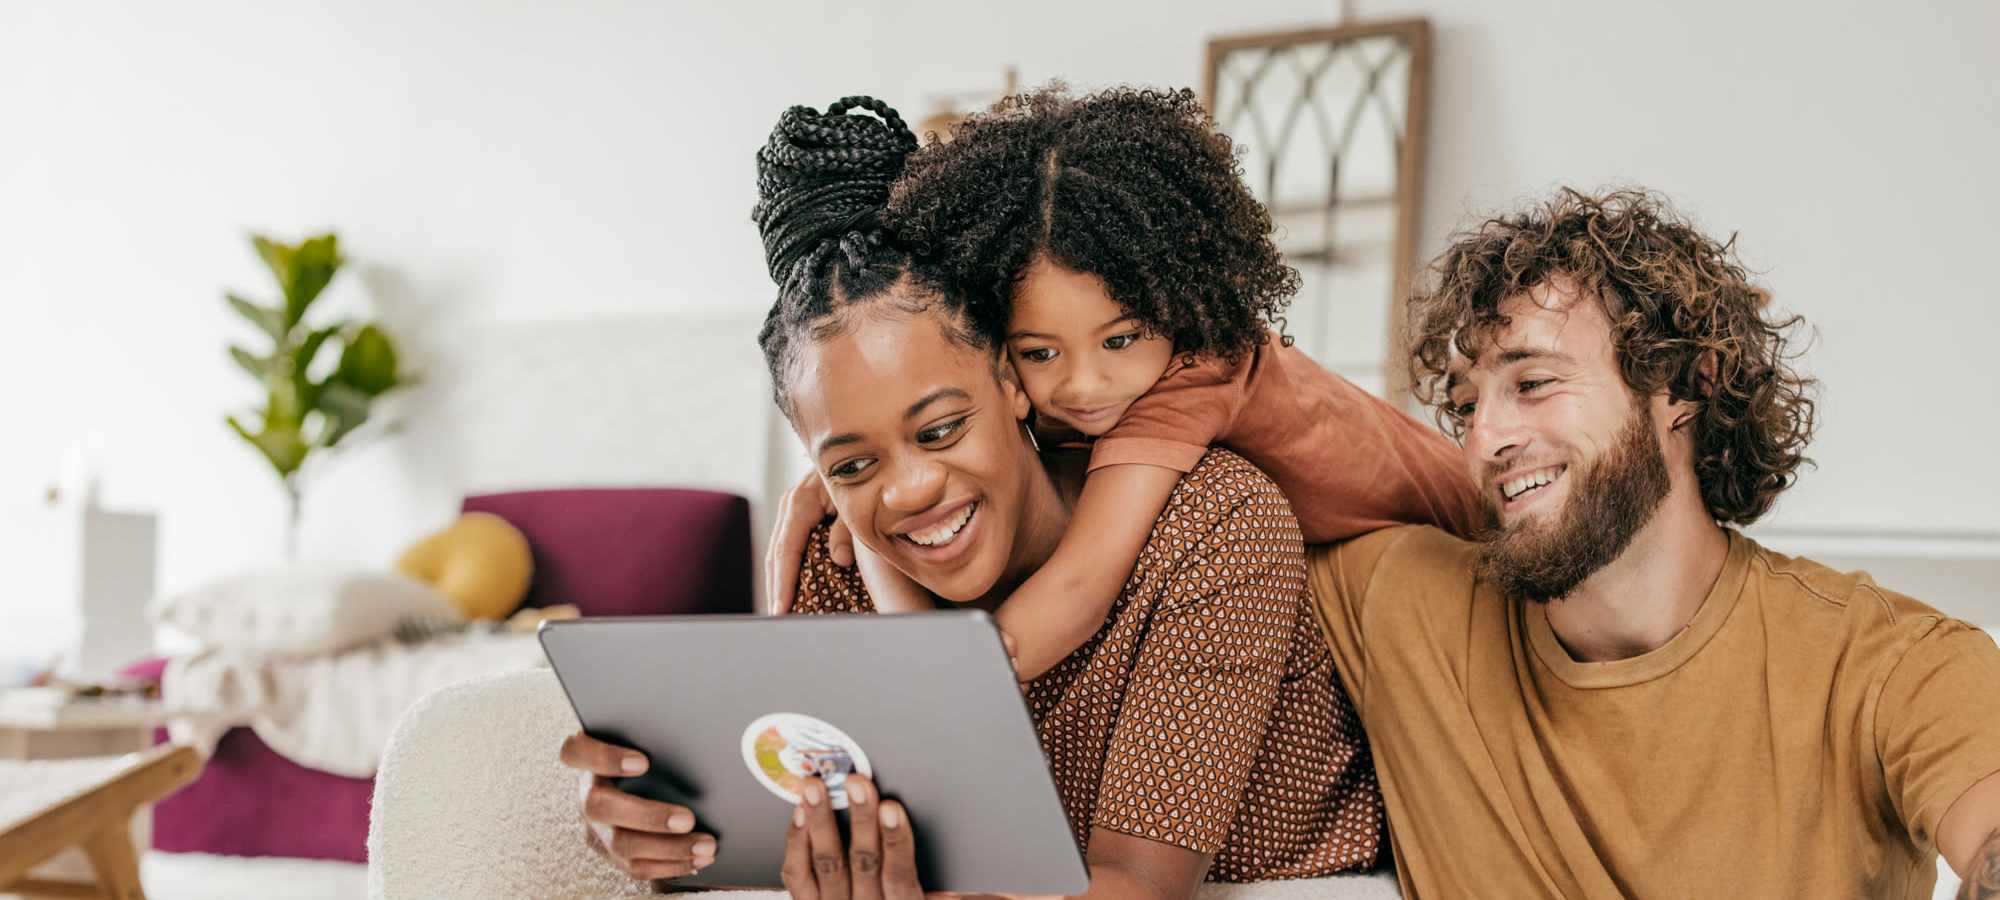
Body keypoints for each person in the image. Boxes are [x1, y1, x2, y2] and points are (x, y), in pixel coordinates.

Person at [560, 96, 1390, 895]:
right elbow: (812, 821)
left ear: (1009, 380)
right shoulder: (842, 559)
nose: (912, 490)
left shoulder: (1212, 524)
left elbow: (1138, 883)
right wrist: (676, 835)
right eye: (850, 465)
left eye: (941, 429)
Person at [1310, 187, 2000, 898]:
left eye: (1534, 382)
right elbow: (1235, 393)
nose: (1484, 440)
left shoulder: (1885, 667)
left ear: (1684, 384)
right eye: (1465, 407)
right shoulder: (1407, 603)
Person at [769, 86, 1485, 682]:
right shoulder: (1100, 390)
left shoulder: (1190, 379)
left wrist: (928, 692)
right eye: (1038, 352)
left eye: (1120, 339)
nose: (1084, 385)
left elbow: (1078, 591)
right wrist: (842, 481)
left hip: (1474, 541)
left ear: (1177, 302)